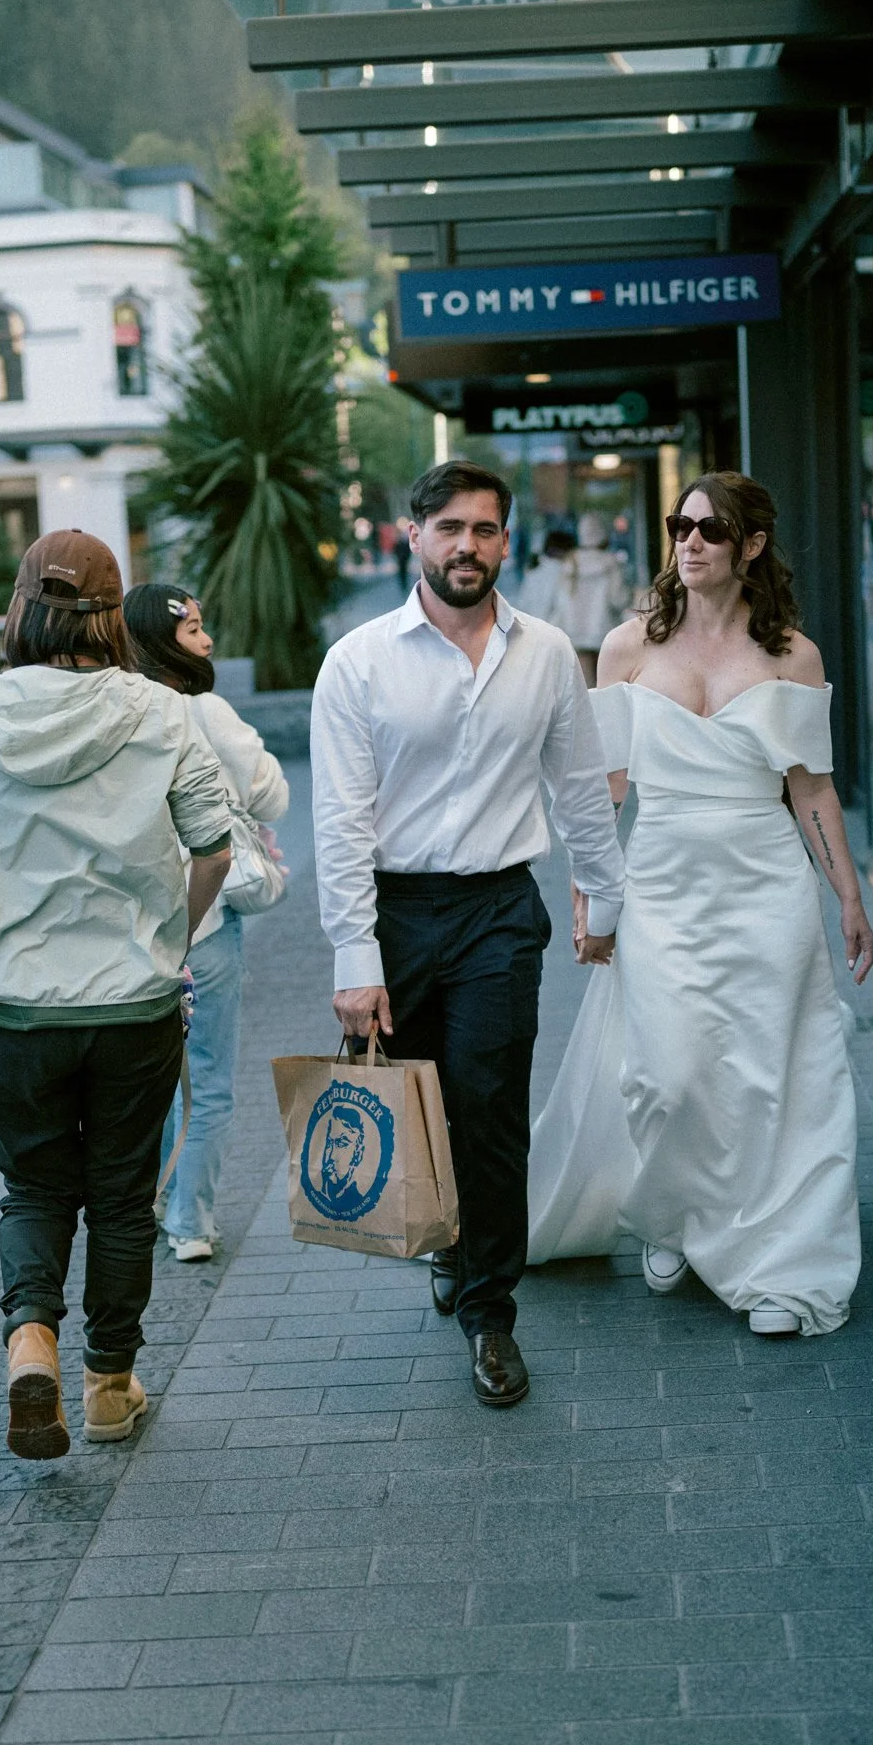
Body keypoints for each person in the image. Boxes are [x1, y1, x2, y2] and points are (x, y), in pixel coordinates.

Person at [0, 530, 238, 1458]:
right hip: (132, 1004)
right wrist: (175, 936)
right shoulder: (163, 713)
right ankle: (109, 1389)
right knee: (120, 1200)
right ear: (114, 615)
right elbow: (214, 846)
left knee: (34, 1190)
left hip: (14, 1007)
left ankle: (29, 1341)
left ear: (21, 609)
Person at [310, 459, 627, 1408]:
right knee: (420, 1106)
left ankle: (491, 1317)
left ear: (504, 541)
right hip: (396, 912)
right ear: (415, 536)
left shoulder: (546, 653)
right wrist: (355, 957)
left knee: (489, 1111)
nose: (466, 546)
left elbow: (579, 788)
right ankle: (448, 1240)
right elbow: (339, 822)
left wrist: (606, 900)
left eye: (484, 529)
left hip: (498, 910)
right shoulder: (358, 660)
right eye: (448, 528)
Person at [528, 472, 873, 1337]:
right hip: (661, 880)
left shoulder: (792, 655)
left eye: (709, 530)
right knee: (669, 1074)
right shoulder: (625, 647)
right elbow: (603, 791)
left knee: (770, 1079)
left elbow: (811, 790)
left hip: (766, 882)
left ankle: (778, 1261)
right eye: (678, 526)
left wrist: (848, 896)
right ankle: (670, 1216)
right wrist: (588, 895)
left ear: (750, 546)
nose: (688, 542)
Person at [124, 582, 290, 1264]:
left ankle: (153, 1198)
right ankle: (190, 1223)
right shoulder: (203, 709)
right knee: (209, 1081)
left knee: (153, 1082)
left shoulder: (116, 713)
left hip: (133, 931)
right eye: (192, 629)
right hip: (206, 921)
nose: (207, 640)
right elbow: (273, 795)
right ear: (162, 642)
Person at [548, 509, 631, 680]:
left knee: (585, 686)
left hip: (575, 633)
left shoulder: (570, 561)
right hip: (605, 634)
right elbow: (619, 599)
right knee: (606, 685)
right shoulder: (610, 562)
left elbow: (560, 601)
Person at [519, 524, 576, 621]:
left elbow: (523, 603)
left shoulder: (534, 568)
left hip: (529, 623)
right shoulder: (560, 571)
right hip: (548, 625)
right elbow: (561, 608)